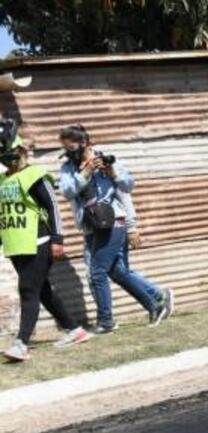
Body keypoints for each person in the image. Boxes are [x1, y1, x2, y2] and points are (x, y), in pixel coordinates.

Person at [59, 125, 174, 332]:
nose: (69, 152)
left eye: (72, 147)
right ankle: (156, 301)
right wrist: (85, 173)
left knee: (97, 272)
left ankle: (106, 321)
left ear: (85, 143)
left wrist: (113, 173)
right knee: (118, 272)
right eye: (66, 148)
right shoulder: (68, 168)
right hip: (90, 226)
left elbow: (128, 188)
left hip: (113, 223)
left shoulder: (107, 160)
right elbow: (67, 192)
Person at [1, 133, 89, 361]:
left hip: (38, 242)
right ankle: (75, 330)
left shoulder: (35, 175)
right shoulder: (2, 180)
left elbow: (53, 208)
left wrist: (57, 239)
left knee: (28, 291)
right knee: (43, 291)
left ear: (20, 151)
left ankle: (21, 343)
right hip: (16, 245)